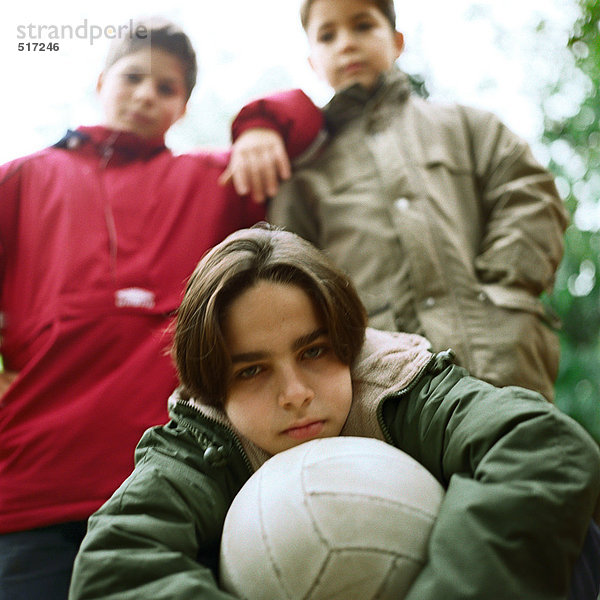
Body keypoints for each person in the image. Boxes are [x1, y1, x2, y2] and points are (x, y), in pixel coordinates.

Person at [68, 223, 599, 600]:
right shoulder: (199, 442)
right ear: (213, 386)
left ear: (347, 343)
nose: (295, 392)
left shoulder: (399, 385)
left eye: (314, 351)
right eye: (251, 370)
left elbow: (541, 445)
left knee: (566, 533)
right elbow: (118, 566)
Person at [0, 17, 322, 600]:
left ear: (183, 105)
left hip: (176, 482)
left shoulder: (211, 178)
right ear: (102, 81)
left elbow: (305, 113)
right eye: (133, 77)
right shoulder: (22, 179)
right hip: (32, 488)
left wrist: (258, 127)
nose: (147, 94)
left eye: (168, 87)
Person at [229, 0, 569, 402]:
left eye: (362, 26)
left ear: (397, 41)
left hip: (502, 361)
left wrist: (500, 292)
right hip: (384, 386)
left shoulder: (467, 126)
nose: (346, 44)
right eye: (328, 35)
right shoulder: (304, 171)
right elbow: (291, 277)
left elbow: (530, 196)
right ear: (311, 61)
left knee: (523, 459)